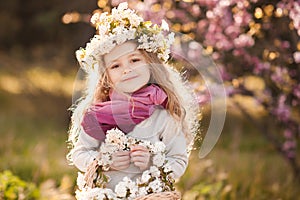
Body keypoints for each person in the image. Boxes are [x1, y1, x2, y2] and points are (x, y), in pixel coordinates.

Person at [67, 2, 199, 198]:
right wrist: (104, 162)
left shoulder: (164, 115)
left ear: (150, 64)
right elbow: (79, 154)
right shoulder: (97, 115)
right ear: (106, 77)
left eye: (135, 60)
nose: (127, 69)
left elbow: (178, 161)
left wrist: (153, 161)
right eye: (115, 66)